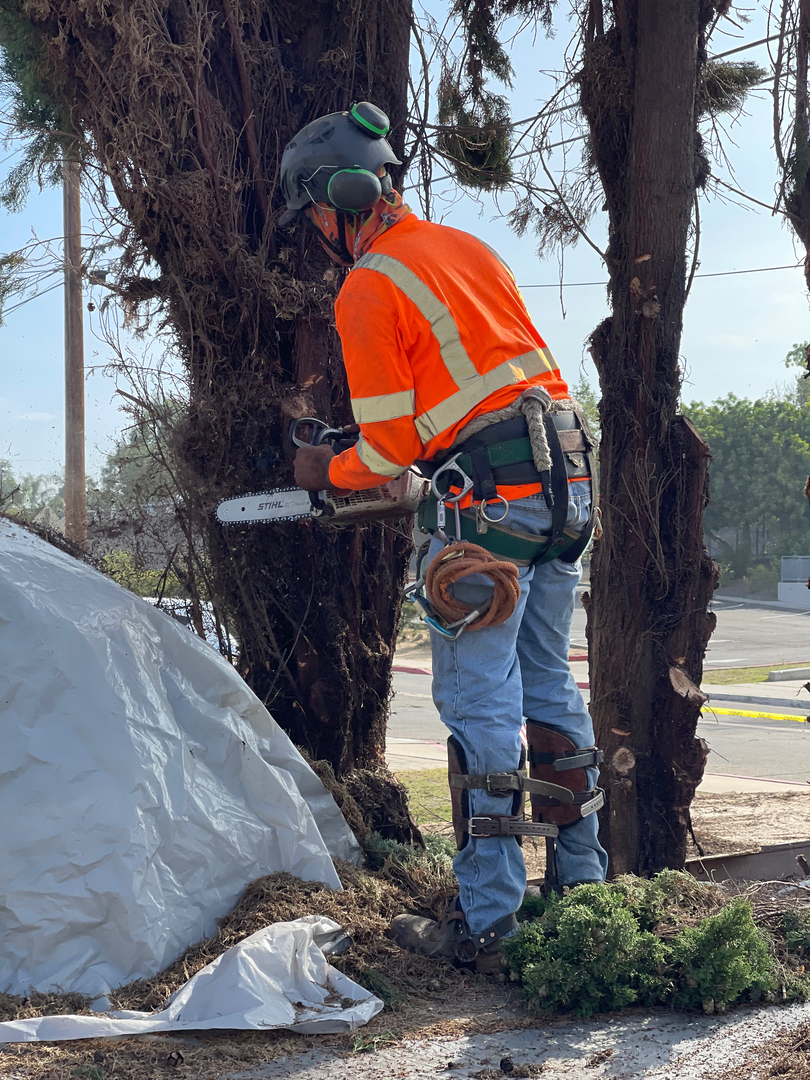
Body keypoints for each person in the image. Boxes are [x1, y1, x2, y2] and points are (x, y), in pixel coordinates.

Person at [281, 102, 608, 975]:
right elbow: (461, 400)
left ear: (339, 200)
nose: (317, 231)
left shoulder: (370, 283)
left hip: (491, 499)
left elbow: (387, 448)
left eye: (314, 214)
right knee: (549, 681)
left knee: (478, 703)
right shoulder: (466, 249)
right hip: (567, 477)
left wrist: (326, 470)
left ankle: (490, 922)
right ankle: (585, 893)